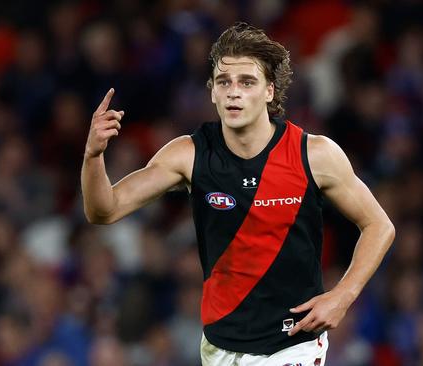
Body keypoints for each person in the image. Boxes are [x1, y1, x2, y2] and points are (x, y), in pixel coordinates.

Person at [81, 22, 395, 365]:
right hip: (219, 348)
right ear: (212, 92)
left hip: (292, 347)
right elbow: (104, 210)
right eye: (223, 82)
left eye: (247, 82)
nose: (234, 92)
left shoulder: (313, 154)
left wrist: (343, 296)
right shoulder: (190, 154)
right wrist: (93, 156)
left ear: (269, 91)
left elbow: (379, 226)